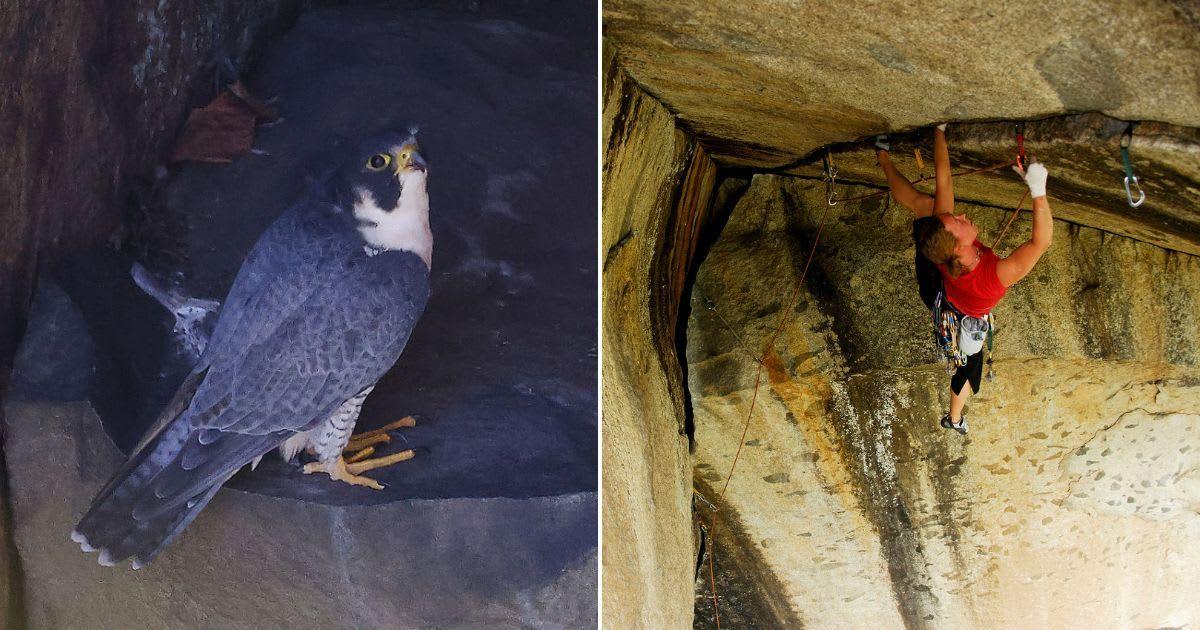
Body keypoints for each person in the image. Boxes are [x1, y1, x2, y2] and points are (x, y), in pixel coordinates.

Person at [875, 124, 1051, 435]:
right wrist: (1038, 191)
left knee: (924, 206)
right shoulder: (986, 275)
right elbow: (1041, 242)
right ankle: (954, 420)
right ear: (959, 246)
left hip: (939, 290)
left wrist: (940, 133)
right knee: (922, 205)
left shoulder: (957, 253)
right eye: (957, 221)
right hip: (948, 296)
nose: (963, 216)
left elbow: (944, 179)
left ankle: (954, 419)